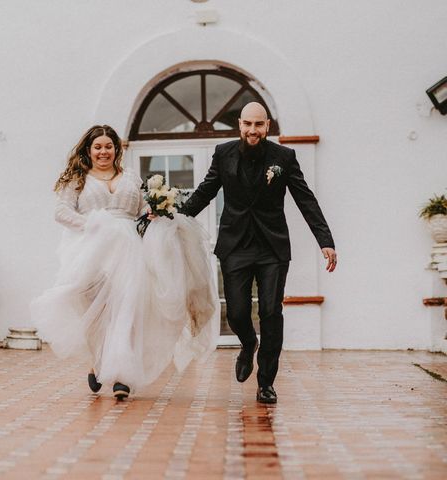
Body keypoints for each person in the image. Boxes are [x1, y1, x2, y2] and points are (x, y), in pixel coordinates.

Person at [31, 125, 219, 400]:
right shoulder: (78, 179)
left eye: (108, 146)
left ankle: (122, 376)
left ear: (116, 150)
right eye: (98, 147)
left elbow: (143, 209)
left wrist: (155, 212)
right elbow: (61, 211)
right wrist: (92, 224)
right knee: (96, 312)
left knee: (128, 309)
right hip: (92, 251)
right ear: (89, 150)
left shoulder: (129, 177)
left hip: (130, 251)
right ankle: (98, 362)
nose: (103, 151)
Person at [180, 102, 337, 404]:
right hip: (235, 246)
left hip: (272, 247)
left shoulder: (284, 157)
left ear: (267, 126)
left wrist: (325, 240)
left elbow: (306, 200)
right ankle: (248, 342)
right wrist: (173, 216)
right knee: (238, 313)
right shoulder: (223, 153)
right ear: (240, 125)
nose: (253, 130)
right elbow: (205, 191)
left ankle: (266, 382)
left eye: (259, 125)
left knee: (270, 312)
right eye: (248, 124)